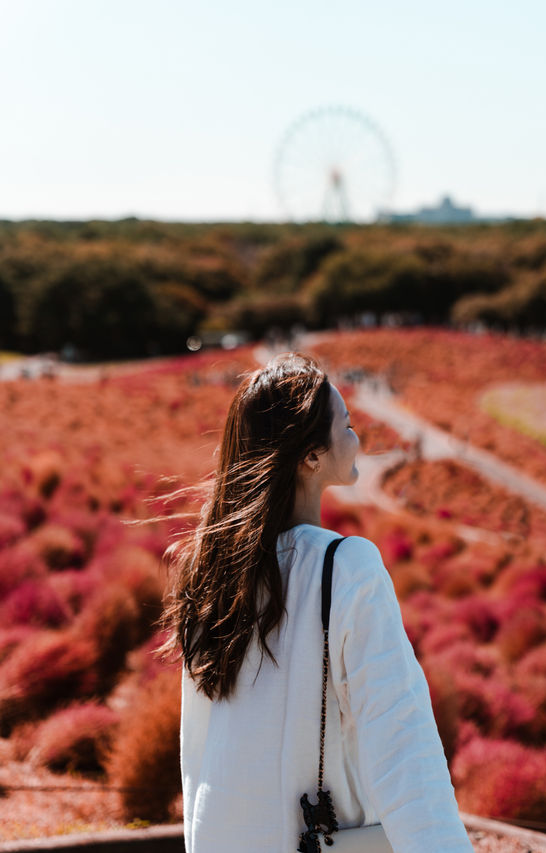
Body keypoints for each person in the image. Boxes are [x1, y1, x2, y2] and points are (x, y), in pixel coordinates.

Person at [164, 352, 472, 853]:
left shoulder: (210, 570)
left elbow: (197, 750)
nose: (356, 438)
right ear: (311, 455)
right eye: (346, 425)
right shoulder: (346, 567)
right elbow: (401, 742)